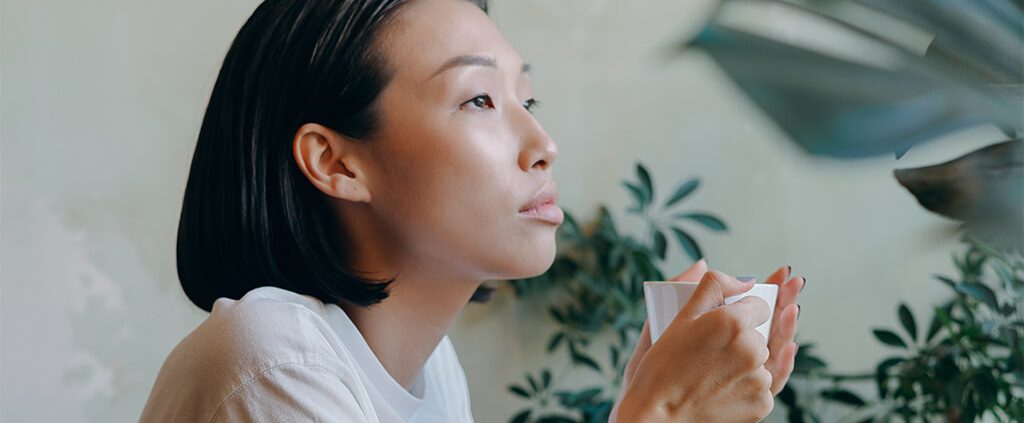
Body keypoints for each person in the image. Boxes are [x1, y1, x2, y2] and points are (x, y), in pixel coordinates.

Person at [138, 0, 805, 421]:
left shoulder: (432, 376)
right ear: (337, 163)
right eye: (479, 99)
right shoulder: (275, 362)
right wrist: (660, 410)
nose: (543, 144)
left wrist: (658, 396)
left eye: (528, 99)